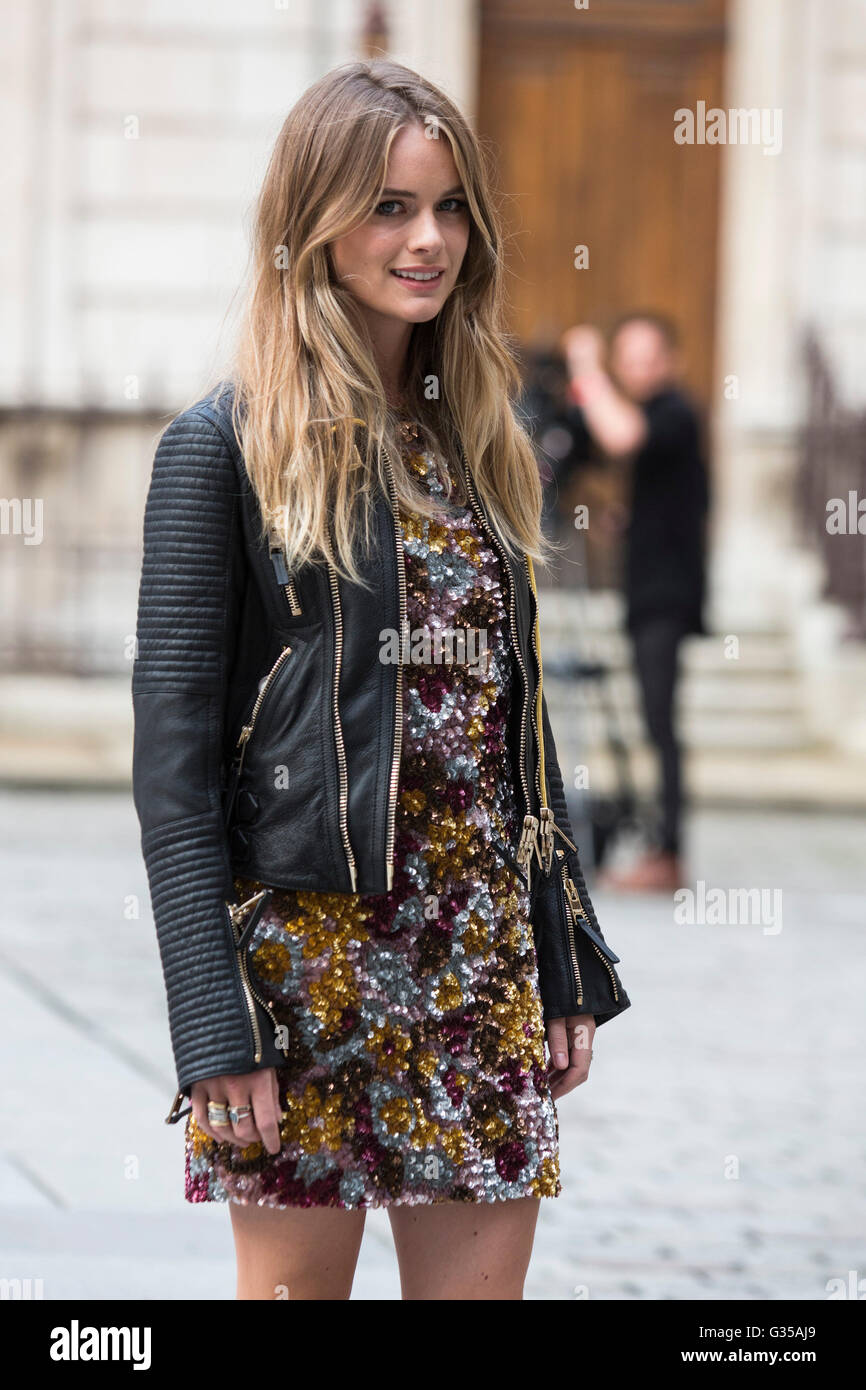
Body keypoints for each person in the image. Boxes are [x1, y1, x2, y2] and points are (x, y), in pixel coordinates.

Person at [131, 60, 630, 1302]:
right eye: (390, 207)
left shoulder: (475, 442)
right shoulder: (222, 451)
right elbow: (175, 774)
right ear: (314, 224)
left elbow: (517, 728)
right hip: (309, 970)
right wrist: (212, 1022)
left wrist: (560, 951)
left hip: (474, 960)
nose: (428, 239)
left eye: (451, 207)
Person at [559, 314, 710, 890]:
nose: (637, 369)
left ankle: (668, 854)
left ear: (672, 362)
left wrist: (585, 368)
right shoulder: (653, 417)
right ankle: (661, 847)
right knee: (654, 718)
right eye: (628, 357)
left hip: (667, 595)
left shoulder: (674, 411)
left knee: (659, 720)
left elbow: (620, 436)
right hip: (645, 589)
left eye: (648, 356)